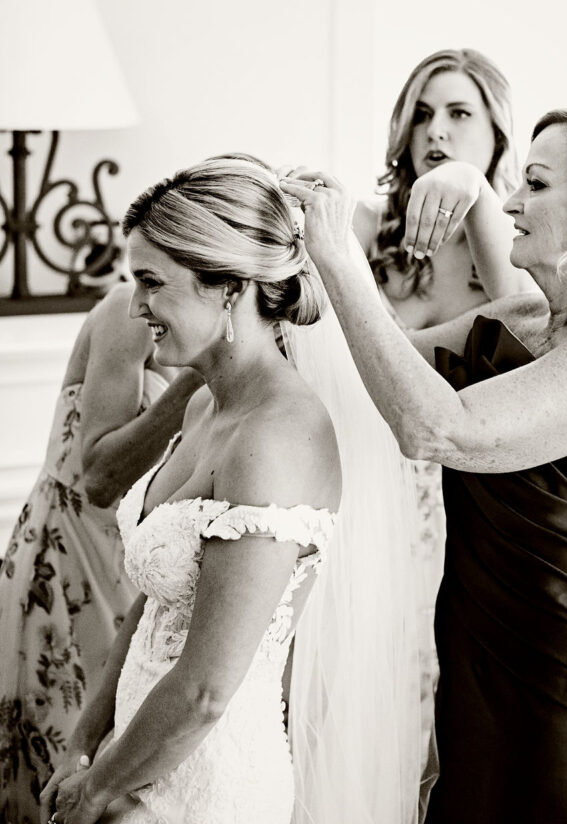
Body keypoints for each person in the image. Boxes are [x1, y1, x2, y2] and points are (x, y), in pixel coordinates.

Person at [280, 106, 567, 824]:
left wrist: (338, 255)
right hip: (469, 645)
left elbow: (437, 428)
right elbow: (380, 364)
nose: (509, 202)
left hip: (556, 674)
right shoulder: (515, 319)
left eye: (533, 183)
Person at [41, 157, 422, 824]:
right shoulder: (203, 409)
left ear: (227, 289)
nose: (136, 309)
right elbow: (150, 607)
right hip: (136, 753)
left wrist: (99, 788)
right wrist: (83, 745)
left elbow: (207, 691)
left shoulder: (276, 438)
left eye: (151, 283)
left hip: (205, 782)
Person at [351, 49, 531, 754]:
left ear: (495, 133)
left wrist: (467, 185)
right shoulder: (368, 230)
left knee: (431, 703)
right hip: (359, 477)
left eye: (459, 113)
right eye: (422, 113)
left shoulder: (513, 243)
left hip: (463, 501)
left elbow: (522, 315)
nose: (437, 130)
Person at [0, 283, 203, 824]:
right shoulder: (127, 311)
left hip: (138, 573)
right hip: (68, 566)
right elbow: (98, 476)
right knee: (60, 761)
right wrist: (191, 387)